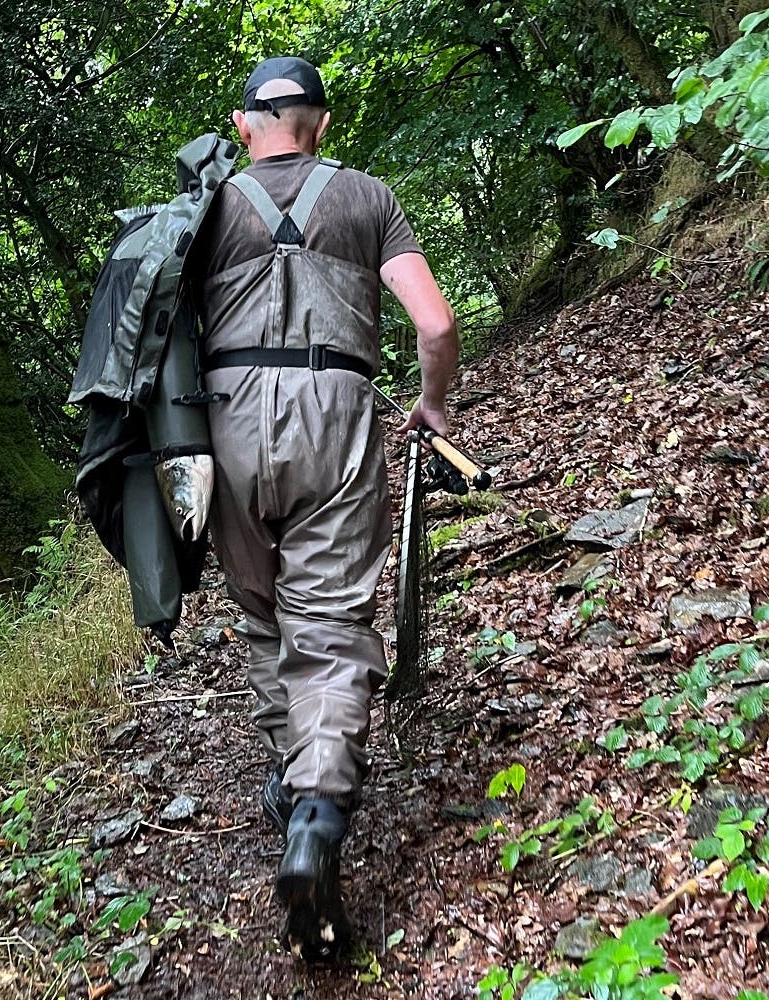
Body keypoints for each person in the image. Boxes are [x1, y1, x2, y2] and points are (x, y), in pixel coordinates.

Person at [192, 55, 459, 960]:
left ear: (242, 126)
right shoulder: (367, 199)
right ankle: (316, 811)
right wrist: (432, 405)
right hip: (336, 416)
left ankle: (292, 770)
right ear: (323, 122)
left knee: (263, 617)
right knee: (334, 624)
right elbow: (435, 326)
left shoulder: (210, 207)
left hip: (224, 428)